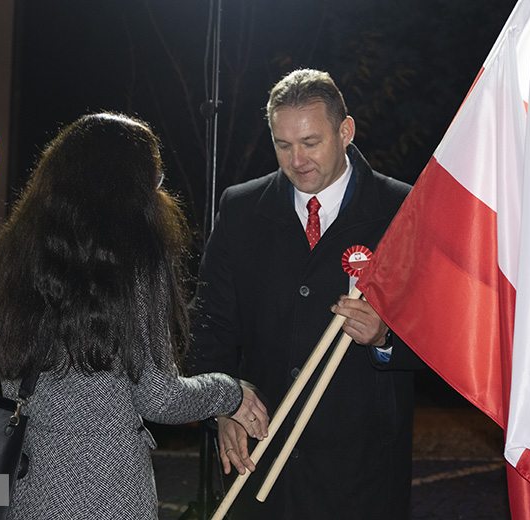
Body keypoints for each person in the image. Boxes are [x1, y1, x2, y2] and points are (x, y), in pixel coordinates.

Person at [0, 112, 269, 519]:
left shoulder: (21, 251)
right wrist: (230, 392)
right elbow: (161, 398)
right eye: (155, 181)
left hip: (30, 488)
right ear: (133, 187)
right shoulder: (136, 261)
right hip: (110, 491)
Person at [188, 69, 424, 519]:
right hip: (258, 463)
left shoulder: (400, 210)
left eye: (311, 142)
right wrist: (221, 403)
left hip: (361, 477)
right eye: (283, 145)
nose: (297, 160)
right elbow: (209, 325)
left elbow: (444, 333)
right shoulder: (240, 208)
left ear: (345, 131)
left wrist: (386, 338)